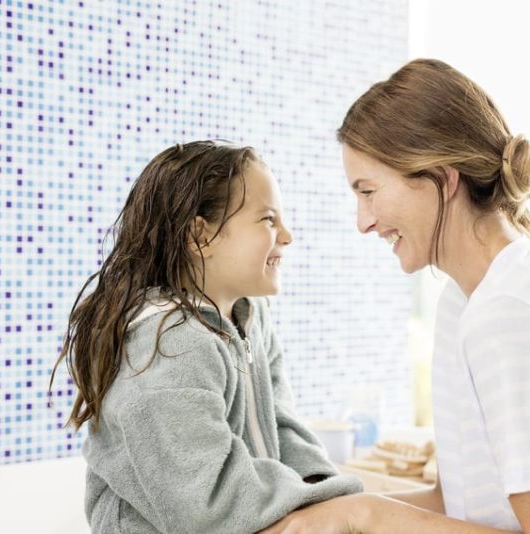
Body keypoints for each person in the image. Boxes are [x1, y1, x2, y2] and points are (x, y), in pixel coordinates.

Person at [261, 59, 530, 533]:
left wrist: (365, 513)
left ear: (442, 179)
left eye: (368, 191)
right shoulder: (466, 301)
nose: (363, 221)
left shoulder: (510, 317)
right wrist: (327, 507)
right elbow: (455, 503)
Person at [50, 140, 361, 534]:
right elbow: (206, 502)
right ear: (200, 236)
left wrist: (324, 492)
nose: (287, 236)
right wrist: (353, 513)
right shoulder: (167, 345)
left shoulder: (249, 317)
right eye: (268, 219)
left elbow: (282, 425)